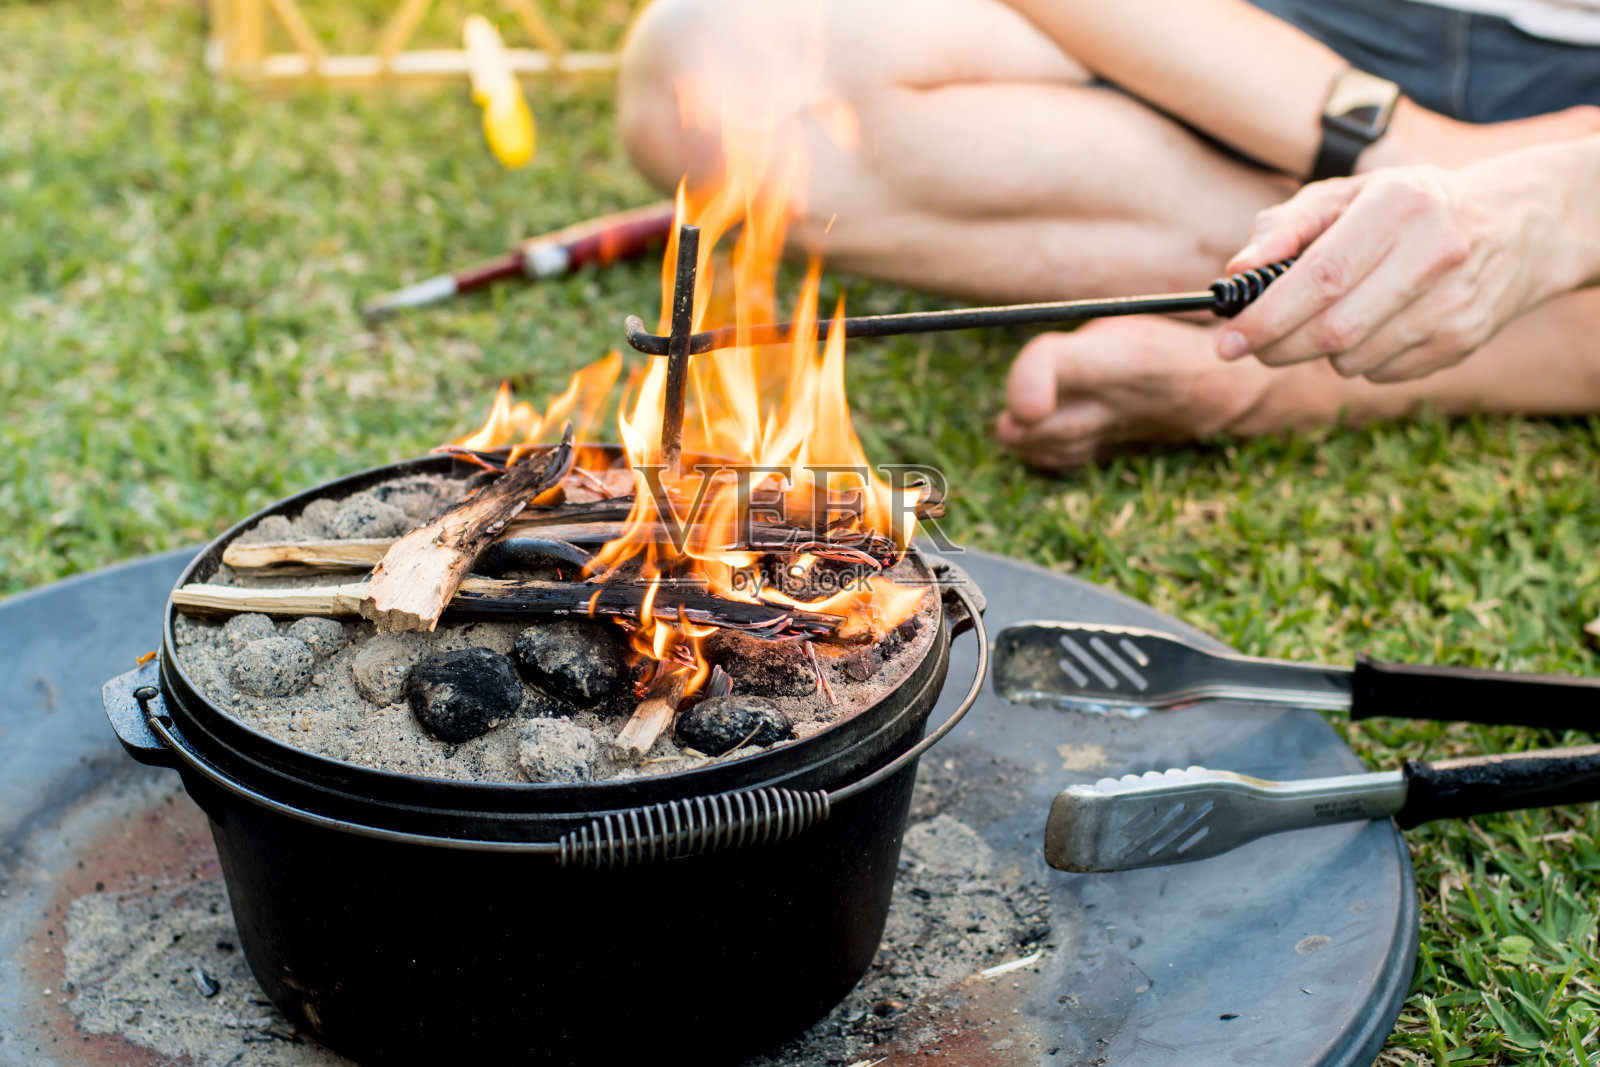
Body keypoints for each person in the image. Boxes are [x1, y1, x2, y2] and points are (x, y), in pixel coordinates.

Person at [616, 0, 1600, 468]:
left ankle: (1286, 342)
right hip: (1275, 33)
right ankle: (1348, 261)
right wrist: (1395, 141)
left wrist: (1251, 384)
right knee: (711, 65)